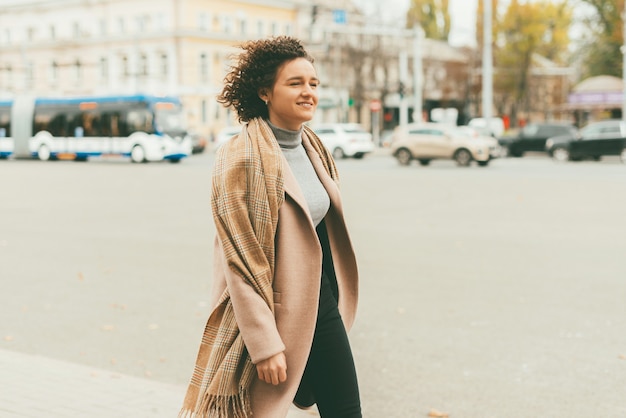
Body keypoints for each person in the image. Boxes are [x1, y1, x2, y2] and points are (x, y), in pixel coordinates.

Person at [178, 36, 362, 418]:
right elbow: (238, 262)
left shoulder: (313, 147)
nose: (308, 92)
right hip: (276, 312)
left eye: (313, 83)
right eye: (295, 83)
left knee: (345, 409)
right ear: (265, 91)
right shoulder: (240, 158)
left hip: (319, 301)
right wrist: (264, 344)